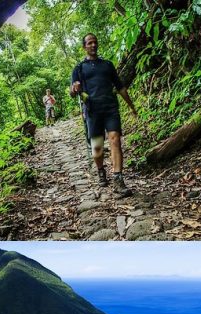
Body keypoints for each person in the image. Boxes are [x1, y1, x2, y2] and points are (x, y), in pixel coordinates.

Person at [70, 33, 138, 196]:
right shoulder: (79, 69)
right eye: (89, 43)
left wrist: (131, 106)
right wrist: (75, 89)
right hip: (92, 111)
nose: (93, 45)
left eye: (95, 42)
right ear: (84, 47)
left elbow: (120, 87)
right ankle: (101, 170)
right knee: (97, 147)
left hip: (110, 108)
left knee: (115, 139)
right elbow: (72, 93)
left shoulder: (107, 65)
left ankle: (118, 178)